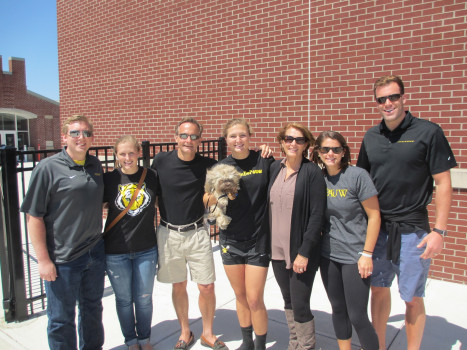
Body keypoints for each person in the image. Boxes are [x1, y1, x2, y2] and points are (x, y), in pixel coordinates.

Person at [357, 75, 457, 350]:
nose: (388, 103)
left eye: (393, 97)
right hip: (378, 229)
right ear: (376, 102)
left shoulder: (428, 132)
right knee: (378, 291)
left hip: (413, 230)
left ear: (404, 98)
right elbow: (362, 182)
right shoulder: (371, 136)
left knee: (412, 296)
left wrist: (439, 230)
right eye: (382, 99)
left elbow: (444, 182)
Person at [20, 115, 106, 350]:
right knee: (61, 319)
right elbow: (34, 216)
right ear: (64, 137)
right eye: (76, 133)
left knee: (92, 309)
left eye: (87, 133)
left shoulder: (95, 165)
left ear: (92, 138)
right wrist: (44, 260)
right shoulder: (47, 168)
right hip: (63, 259)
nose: (82, 138)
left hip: (94, 253)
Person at [151, 117, 228, 350]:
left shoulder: (208, 164)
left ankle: (207, 333)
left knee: (207, 286)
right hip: (169, 233)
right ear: (176, 137)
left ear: (200, 140)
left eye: (194, 136)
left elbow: (221, 188)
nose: (188, 140)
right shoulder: (161, 161)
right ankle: (185, 331)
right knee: (178, 285)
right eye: (184, 135)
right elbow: (151, 192)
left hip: (197, 233)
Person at [206, 119, 273, 350]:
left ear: (250, 136)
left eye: (242, 135)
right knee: (241, 295)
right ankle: (247, 343)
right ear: (226, 139)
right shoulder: (221, 167)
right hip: (230, 239)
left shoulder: (263, 160)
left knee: (255, 298)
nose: (238, 140)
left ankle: (260, 345)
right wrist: (219, 195)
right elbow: (206, 199)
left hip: (258, 239)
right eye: (233, 136)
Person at [311, 131, 380, 350]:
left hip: (355, 256)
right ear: (318, 152)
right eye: (325, 149)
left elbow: (375, 216)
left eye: (336, 149)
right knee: (338, 309)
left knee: (358, 316)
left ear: (344, 151)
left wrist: (367, 254)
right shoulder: (317, 178)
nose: (331, 153)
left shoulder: (357, 175)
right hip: (328, 255)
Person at [267, 123, 326, 350]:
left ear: (307, 145)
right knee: (289, 300)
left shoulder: (312, 173)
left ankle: (307, 346)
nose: (293, 143)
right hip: (276, 249)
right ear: (282, 142)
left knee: (300, 303)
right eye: (289, 138)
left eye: (299, 140)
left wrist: (304, 252)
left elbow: (316, 216)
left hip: (300, 251)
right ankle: (295, 343)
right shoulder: (274, 168)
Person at [103, 136, 159, 350]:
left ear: (138, 153)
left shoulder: (152, 177)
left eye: (131, 153)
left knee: (144, 298)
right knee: (124, 300)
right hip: (115, 251)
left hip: (146, 249)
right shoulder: (108, 180)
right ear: (116, 155)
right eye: (122, 154)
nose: (127, 158)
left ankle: (144, 339)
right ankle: (131, 340)